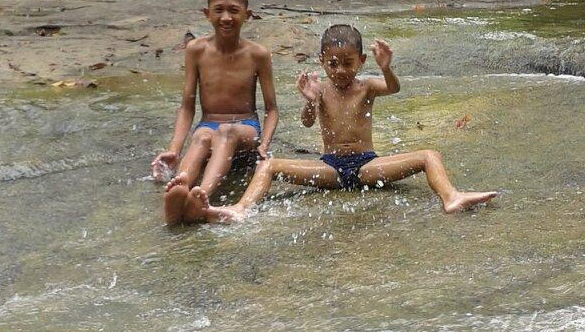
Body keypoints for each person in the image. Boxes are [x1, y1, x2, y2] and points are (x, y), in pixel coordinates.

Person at [185, 24, 498, 223]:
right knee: (268, 166)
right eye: (332, 63)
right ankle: (240, 209)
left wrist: (387, 68)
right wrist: (309, 100)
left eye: (348, 63)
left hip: (367, 167)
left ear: (361, 61)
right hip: (330, 168)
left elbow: (394, 88)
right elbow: (308, 123)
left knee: (430, 154)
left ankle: (451, 197)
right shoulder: (320, 89)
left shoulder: (367, 85)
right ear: (322, 61)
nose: (340, 70)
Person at [151, 0, 278, 225]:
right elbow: (187, 106)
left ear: (247, 15)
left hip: (245, 128)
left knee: (226, 131)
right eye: (218, 10)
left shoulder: (258, 54)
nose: (226, 18)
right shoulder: (196, 50)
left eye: (233, 10)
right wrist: (174, 150)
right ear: (207, 14)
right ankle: (182, 187)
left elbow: (272, 109)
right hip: (208, 126)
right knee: (202, 136)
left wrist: (264, 143)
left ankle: (202, 196)